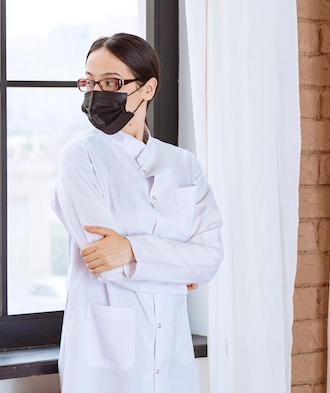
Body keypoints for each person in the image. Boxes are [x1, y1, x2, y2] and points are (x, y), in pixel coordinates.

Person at [51, 33, 223, 393]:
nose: (96, 93)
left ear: (147, 89)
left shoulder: (183, 164)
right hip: (105, 361)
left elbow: (209, 258)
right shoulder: (80, 158)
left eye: (111, 82)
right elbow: (106, 262)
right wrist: (178, 268)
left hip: (172, 355)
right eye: (89, 82)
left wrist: (131, 250)